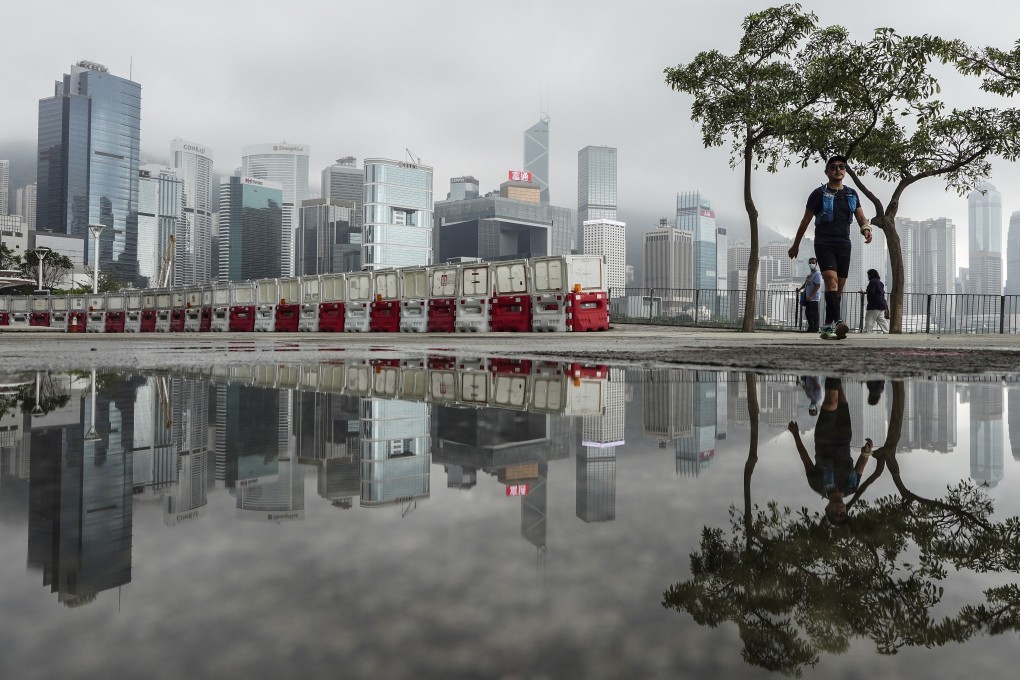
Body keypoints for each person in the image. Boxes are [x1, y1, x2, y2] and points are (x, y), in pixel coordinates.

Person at [789, 155, 873, 340]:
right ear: (827, 171)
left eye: (842, 167)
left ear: (845, 171)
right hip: (824, 242)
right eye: (834, 167)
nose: (838, 170)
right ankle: (838, 322)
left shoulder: (851, 194)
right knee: (831, 281)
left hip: (844, 244)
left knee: (838, 287)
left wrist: (866, 229)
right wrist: (795, 245)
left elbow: (860, 217)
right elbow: (805, 220)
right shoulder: (818, 194)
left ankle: (826, 326)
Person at [788, 377, 874, 524]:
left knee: (831, 402)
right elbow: (861, 465)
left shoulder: (817, 485)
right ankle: (835, 372)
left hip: (824, 438)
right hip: (844, 436)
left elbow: (806, 460)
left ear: (827, 510)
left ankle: (830, 368)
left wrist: (796, 435)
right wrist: (867, 451)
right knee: (840, 398)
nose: (840, 511)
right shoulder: (851, 487)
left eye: (835, 514)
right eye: (843, 514)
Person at [796, 257, 824, 333]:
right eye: (810, 263)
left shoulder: (817, 274)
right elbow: (806, 283)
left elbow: (817, 285)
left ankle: (815, 328)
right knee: (808, 312)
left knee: (814, 313)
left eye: (813, 263)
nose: (811, 264)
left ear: (816, 264)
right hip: (808, 297)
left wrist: (811, 295)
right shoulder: (810, 274)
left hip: (813, 297)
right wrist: (800, 289)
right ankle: (811, 327)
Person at [863, 268, 889, 333]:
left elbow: (871, 292)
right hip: (881, 304)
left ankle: (866, 332)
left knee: (869, 318)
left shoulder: (872, 282)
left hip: (874, 304)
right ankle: (887, 331)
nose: (867, 276)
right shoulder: (880, 283)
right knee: (881, 319)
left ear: (870, 275)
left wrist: (865, 292)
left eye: (868, 275)